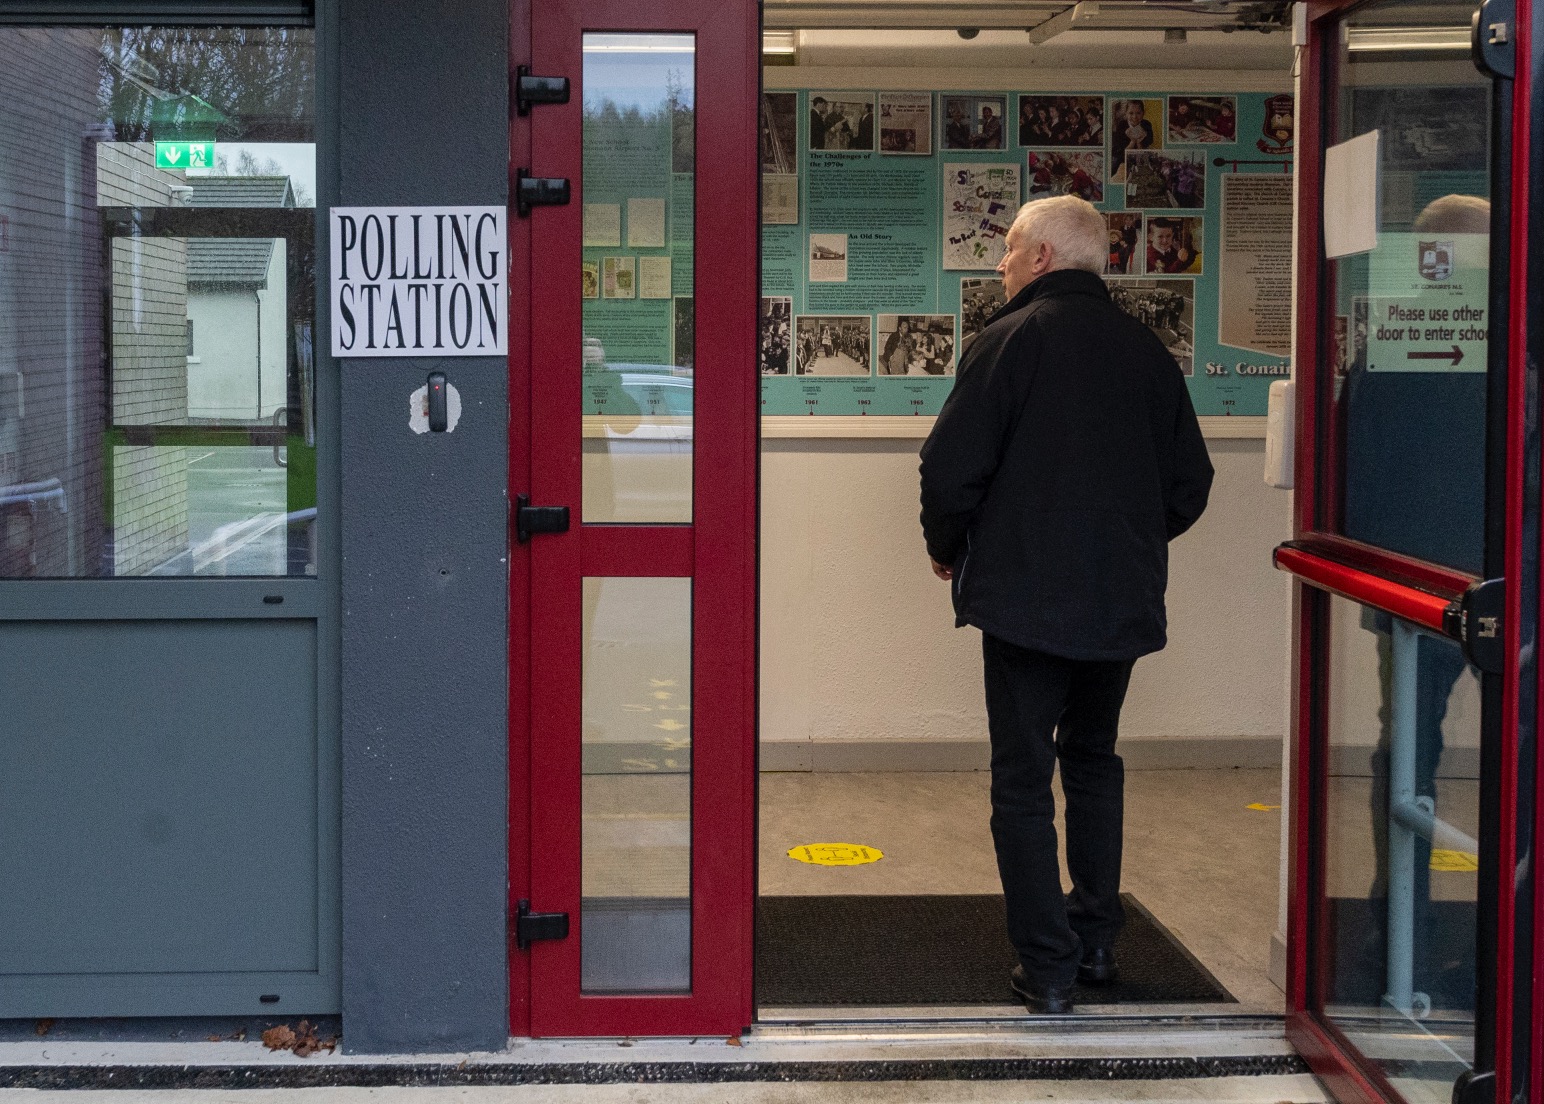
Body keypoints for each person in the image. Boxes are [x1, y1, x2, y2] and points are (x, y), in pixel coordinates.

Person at [918, 195, 1213, 1015]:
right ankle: (1095, 946)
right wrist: (1126, 546)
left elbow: (947, 471)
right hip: (1117, 604)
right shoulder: (1149, 353)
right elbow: (1190, 484)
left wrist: (949, 547)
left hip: (1022, 607)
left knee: (1021, 780)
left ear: (1043, 257)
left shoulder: (1007, 342)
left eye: (1009, 252)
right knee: (1094, 763)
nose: (1001, 266)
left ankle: (1045, 967)